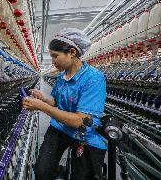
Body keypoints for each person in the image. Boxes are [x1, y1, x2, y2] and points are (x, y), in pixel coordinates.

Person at [22, 28, 107, 180]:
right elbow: (56, 101)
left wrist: (42, 107)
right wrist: (43, 98)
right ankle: (58, 171)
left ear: (72, 52)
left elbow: (80, 121)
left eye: (55, 56)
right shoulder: (62, 76)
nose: (53, 61)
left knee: (83, 176)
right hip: (60, 128)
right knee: (42, 172)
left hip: (83, 133)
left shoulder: (94, 78)